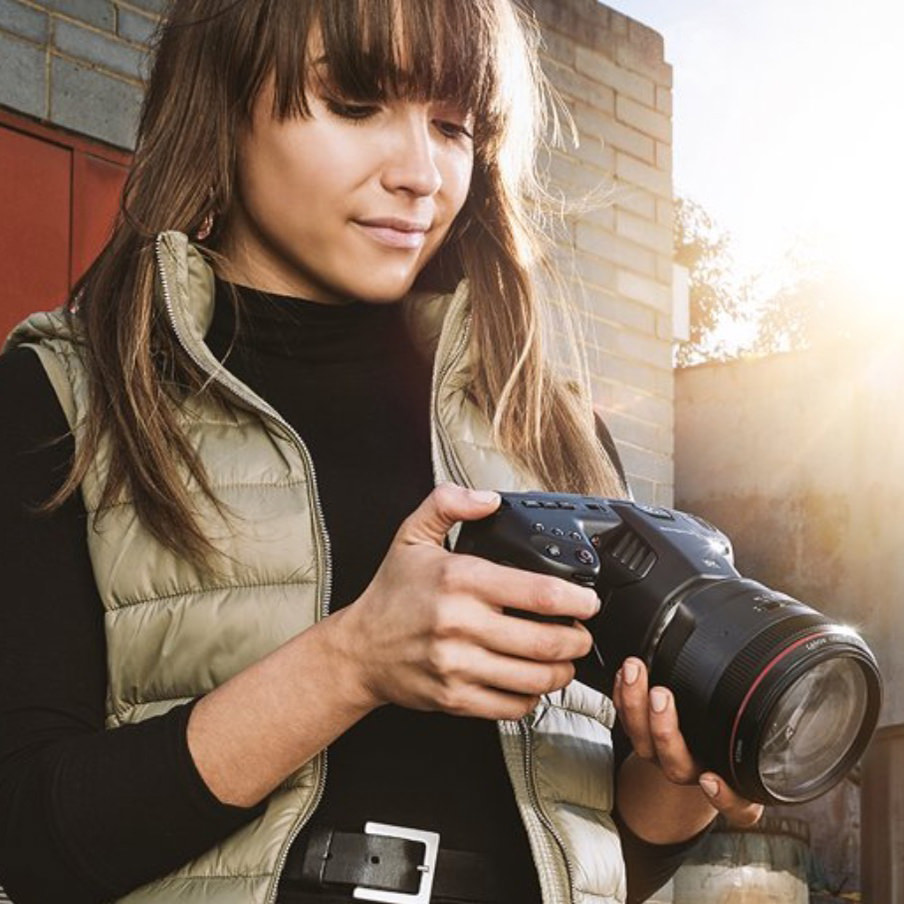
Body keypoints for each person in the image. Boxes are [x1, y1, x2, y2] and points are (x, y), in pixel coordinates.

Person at [0, 1, 762, 902]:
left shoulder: (548, 428)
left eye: (452, 126)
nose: (420, 175)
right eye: (356, 106)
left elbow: (597, 858)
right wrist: (352, 662)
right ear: (224, 104)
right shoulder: (71, 395)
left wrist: (682, 781)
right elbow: (29, 841)